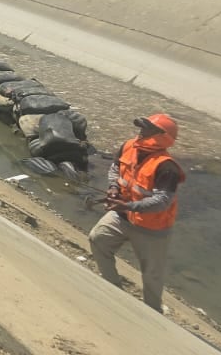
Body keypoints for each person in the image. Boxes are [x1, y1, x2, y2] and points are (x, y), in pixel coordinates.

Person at [88, 114, 186, 313]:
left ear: (162, 136)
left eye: (147, 128)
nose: (141, 130)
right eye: (142, 126)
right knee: (98, 240)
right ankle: (113, 290)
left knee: (152, 274)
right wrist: (114, 187)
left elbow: (162, 202)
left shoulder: (167, 167)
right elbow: (115, 168)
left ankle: (152, 313)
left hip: (152, 227)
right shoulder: (128, 146)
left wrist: (128, 206)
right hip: (121, 215)